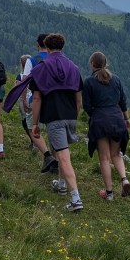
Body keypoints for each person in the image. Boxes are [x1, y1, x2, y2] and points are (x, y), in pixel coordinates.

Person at [29, 33, 85, 212]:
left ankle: (76, 199)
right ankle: (61, 184)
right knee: (58, 149)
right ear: (62, 46)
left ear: (46, 47)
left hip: (54, 116)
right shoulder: (73, 68)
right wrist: (74, 116)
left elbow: (37, 98)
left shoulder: (41, 68)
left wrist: (35, 123)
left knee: (63, 156)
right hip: (70, 115)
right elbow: (78, 99)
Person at [82, 51, 130, 200]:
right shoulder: (116, 80)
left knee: (104, 158)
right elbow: (122, 101)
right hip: (117, 119)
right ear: (105, 63)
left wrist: (95, 115)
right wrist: (126, 118)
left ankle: (109, 193)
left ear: (92, 64)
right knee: (116, 154)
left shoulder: (89, 82)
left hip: (100, 122)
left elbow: (86, 106)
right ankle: (124, 179)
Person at [21, 34, 56, 172]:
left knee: (32, 129)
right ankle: (57, 159)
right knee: (53, 131)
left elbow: (24, 82)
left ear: (38, 44)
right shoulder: (56, 59)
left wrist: (23, 99)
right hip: (54, 100)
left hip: (36, 99)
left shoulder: (32, 60)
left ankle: (47, 156)